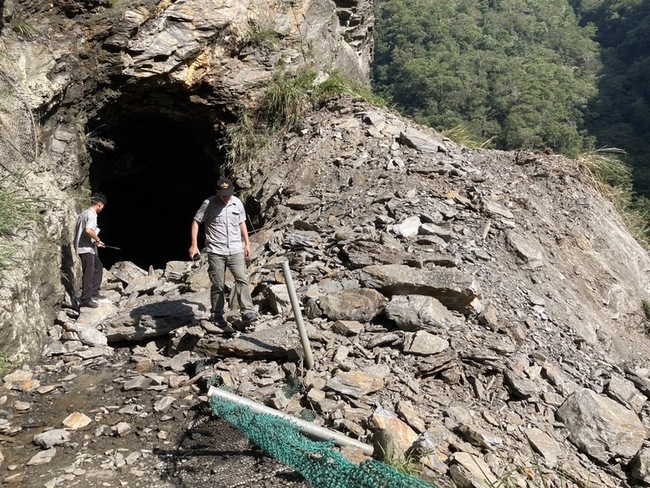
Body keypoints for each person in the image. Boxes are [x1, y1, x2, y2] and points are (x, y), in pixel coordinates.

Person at [189, 177, 257, 327]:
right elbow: (196, 221)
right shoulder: (208, 204)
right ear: (217, 192)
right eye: (224, 194)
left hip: (235, 249)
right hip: (216, 251)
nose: (227, 197)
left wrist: (247, 243)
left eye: (229, 193)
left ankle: (247, 310)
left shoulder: (237, 202)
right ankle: (217, 313)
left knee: (241, 278)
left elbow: (242, 222)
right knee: (218, 283)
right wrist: (194, 245)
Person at [73, 193, 107, 309]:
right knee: (89, 272)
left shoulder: (83, 213)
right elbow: (88, 230)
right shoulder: (92, 215)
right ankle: (86, 298)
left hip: (83, 246)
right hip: (86, 249)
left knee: (98, 266)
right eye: (102, 206)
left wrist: (96, 242)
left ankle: (94, 292)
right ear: (99, 205)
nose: (102, 209)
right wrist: (97, 239)